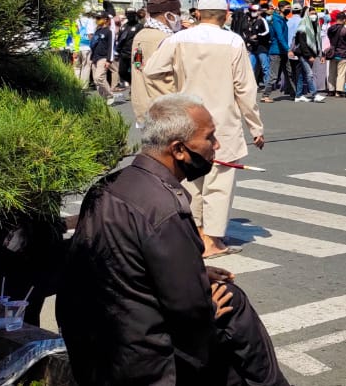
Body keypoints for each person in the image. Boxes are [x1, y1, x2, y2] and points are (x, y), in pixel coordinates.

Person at [58, 94, 287, 385]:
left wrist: (195, 272)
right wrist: (208, 304)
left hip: (95, 344)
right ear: (179, 149)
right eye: (210, 138)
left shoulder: (107, 187)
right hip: (145, 359)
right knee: (232, 302)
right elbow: (189, 310)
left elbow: (128, 265)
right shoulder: (165, 208)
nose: (216, 146)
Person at [143, 0, 265, 257]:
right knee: (219, 181)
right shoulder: (233, 41)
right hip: (222, 122)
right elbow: (245, 89)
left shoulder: (177, 39)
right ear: (226, 16)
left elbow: (151, 70)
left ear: (197, 13)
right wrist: (255, 126)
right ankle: (212, 240)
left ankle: (195, 234)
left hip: (187, 117)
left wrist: (173, 93)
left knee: (190, 179)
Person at [131, 0, 183, 126]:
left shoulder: (140, 35)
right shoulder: (167, 39)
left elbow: (138, 65)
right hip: (163, 109)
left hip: (141, 105)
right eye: (178, 13)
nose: (180, 18)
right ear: (169, 16)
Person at [291, 4, 325, 103]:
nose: (313, 15)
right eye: (311, 13)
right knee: (309, 74)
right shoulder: (303, 25)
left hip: (311, 53)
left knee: (302, 74)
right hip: (303, 53)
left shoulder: (316, 25)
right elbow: (302, 43)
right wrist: (309, 56)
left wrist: (321, 54)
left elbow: (318, 41)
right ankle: (315, 94)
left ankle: (298, 95)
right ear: (307, 14)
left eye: (315, 13)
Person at [261, 3, 291, 103]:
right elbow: (279, 37)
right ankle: (265, 95)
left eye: (289, 7)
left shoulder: (282, 20)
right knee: (273, 75)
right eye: (287, 8)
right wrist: (288, 49)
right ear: (281, 9)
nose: (289, 9)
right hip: (276, 51)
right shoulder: (277, 20)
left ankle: (293, 93)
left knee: (289, 72)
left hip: (282, 50)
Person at [326, 11, 346, 97]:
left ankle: (331, 90)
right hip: (343, 53)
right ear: (344, 20)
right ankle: (339, 91)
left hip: (332, 53)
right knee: (341, 73)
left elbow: (329, 37)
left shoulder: (330, 29)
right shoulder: (344, 30)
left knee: (332, 72)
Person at [90, 13, 117, 105]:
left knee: (99, 77)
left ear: (106, 19)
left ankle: (110, 95)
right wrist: (91, 58)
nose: (97, 20)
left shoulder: (109, 31)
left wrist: (109, 60)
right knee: (96, 80)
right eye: (96, 18)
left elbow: (111, 46)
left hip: (103, 57)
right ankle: (103, 98)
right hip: (95, 58)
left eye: (99, 18)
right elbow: (94, 45)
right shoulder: (97, 30)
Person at [243, 5, 271, 92]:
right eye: (251, 10)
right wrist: (248, 40)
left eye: (254, 10)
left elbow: (267, 32)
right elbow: (247, 33)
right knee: (251, 67)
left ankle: (267, 86)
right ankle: (252, 86)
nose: (253, 12)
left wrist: (257, 36)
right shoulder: (251, 21)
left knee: (265, 67)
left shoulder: (262, 20)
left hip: (262, 48)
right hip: (253, 48)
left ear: (259, 11)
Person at [116, 9, 143, 93]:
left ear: (135, 15)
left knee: (136, 72)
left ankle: (134, 90)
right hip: (124, 53)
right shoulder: (124, 26)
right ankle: (132, 84)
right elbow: (120, 39)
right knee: (122, 72)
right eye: (128, 14)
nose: (130, 16)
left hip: (136, 54)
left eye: (132, 14)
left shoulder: (139, 26)